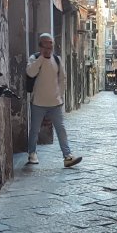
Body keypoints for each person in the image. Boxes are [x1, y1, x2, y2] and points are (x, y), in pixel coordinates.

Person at [26, 33, 81, 167]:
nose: (48, 48)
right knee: (34, 130)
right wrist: (42, 57)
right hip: (38, 102)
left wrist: (60, 95)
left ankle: (67, 156)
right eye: (45, 45)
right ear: (40, 45)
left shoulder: (57, 60)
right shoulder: (34, 58)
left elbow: (62, 79)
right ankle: (32, 153)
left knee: (61, 129)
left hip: (55, 103)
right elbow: (30, 73)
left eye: (50, 45)